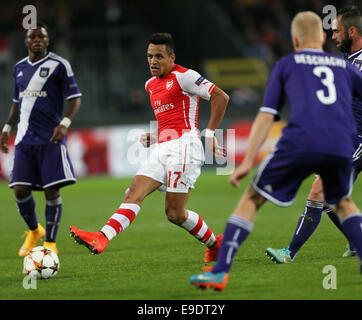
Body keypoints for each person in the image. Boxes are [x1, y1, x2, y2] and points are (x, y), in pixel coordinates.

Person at [189, 11, 362, 291]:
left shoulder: (287, 64)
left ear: (294, 40)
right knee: (343, 202)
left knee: (252, 198)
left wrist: (246, 162)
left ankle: (220, 271)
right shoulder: (346, 67)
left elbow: (267, 115)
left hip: (301, 141)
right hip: (340, 143)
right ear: (320, 37)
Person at [70, 33, 229, 264]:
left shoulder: (185, 77)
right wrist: (154, 136)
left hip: (185, 148)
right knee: (133, 192)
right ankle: (101, 237)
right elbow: (170, 121)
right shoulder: (150, 85)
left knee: (175, 214)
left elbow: (221, 97)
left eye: (159, 56)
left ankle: (215, 245)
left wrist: (211, 134)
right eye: (149, 56)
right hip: (163, 147)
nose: (153, 61)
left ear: (171, 57)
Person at [265, 6, 362, 264]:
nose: (333, 36)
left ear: (353, 31)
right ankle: (356, 241)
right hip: (339, 138)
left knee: (317, 192)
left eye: (337, 31)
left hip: (357, 141)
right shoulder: (345, 62)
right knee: (332, 199)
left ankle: (289, 253)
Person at [0, 22, 82, 256]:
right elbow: (17, 102)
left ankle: (50, 244)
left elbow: (75, 99)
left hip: (51, 139)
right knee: (20, 190)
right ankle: (35, 230)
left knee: (51, 192)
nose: (37, 39)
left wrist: (64, 124)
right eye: (33, 36)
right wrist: (7, 126)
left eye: (42, 36)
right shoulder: (18, 68)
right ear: (26, 41)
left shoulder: (59, 65)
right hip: (25, 139)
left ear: (47, 41)